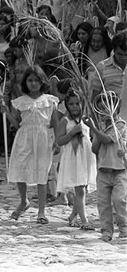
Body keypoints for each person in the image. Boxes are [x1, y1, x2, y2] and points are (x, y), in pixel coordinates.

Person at [5, 65, 59, 224]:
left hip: (43, 137)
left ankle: (41, 211)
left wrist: (57, 141)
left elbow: (55, 122)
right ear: (25, 82)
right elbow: (16, 123)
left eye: (36, 80)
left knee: (42, 172)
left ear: (42, 81)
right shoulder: (20, 102)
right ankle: (24, 201)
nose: (33, 83)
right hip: (24, 137)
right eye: (30, 80)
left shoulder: (49, 100)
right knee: (20, 168)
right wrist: (6, 112)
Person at [84, 92, 127, 242]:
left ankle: (124, 228)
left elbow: (108, 140)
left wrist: (94, 128)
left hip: (119, 170)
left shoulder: (120, 125)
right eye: (100, 109)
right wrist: (95, 132)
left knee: (119, 200)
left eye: (106, 108)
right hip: (103, 170)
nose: (103, 112)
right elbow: (95, 148)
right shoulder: (101, 127)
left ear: (115, 109)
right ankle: (106, 231)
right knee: (103, 203)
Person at [55, 89, 96, 230]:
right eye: (71, 104)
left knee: (82, 187)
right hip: (73, 156)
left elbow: (91, 135)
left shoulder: (86, 119)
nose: (75, 106)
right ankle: (84, 220)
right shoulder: (65, 121)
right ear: (67, 105)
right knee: (80, 190)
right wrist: (71, 133)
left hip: (85, 156)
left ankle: (73, 216)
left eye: (77, 103)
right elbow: (59, 141)